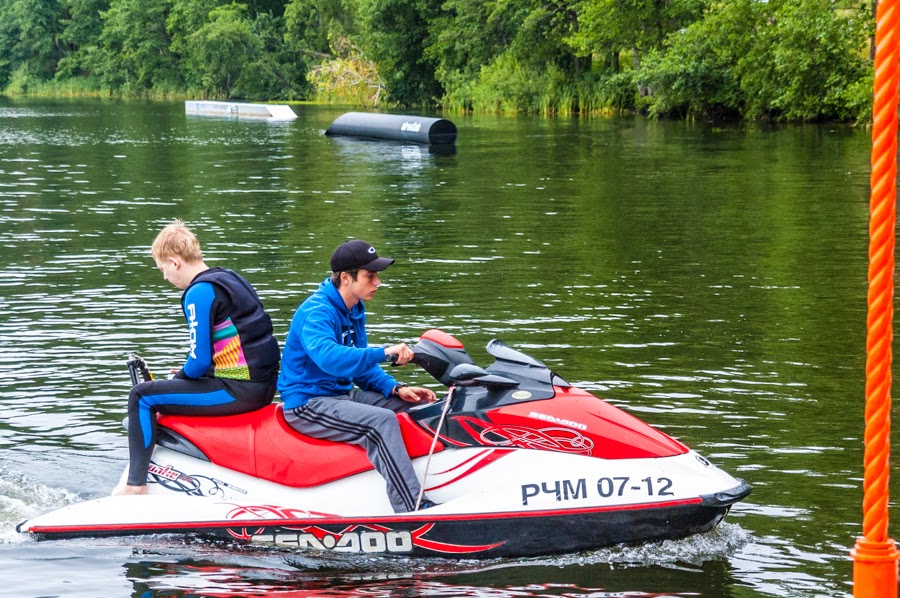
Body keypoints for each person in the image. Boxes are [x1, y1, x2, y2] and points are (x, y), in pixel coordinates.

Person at [117, 219, 280, 495]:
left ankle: (135, 486)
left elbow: (199, 361)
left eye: (162, 270)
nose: (165, 278)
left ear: (174, 262)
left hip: (239, 392)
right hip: (263, 387)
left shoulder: (199, 292)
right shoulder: (230, 277)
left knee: (142, 397)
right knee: (167, 386)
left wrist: (177, 379)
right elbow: (233, 349)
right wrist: (183, 379)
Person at [278, 239, 437, 513]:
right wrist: (384, 352)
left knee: (422, 407)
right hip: (307, 404)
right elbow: (330, 359)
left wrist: (395, 388)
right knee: (381, 422)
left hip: (340, 396)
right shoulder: (317, 312)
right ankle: (412, 508)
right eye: (370, 276)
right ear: (345, 278)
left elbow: (359, 367)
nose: (377, 282)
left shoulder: (354, 310)